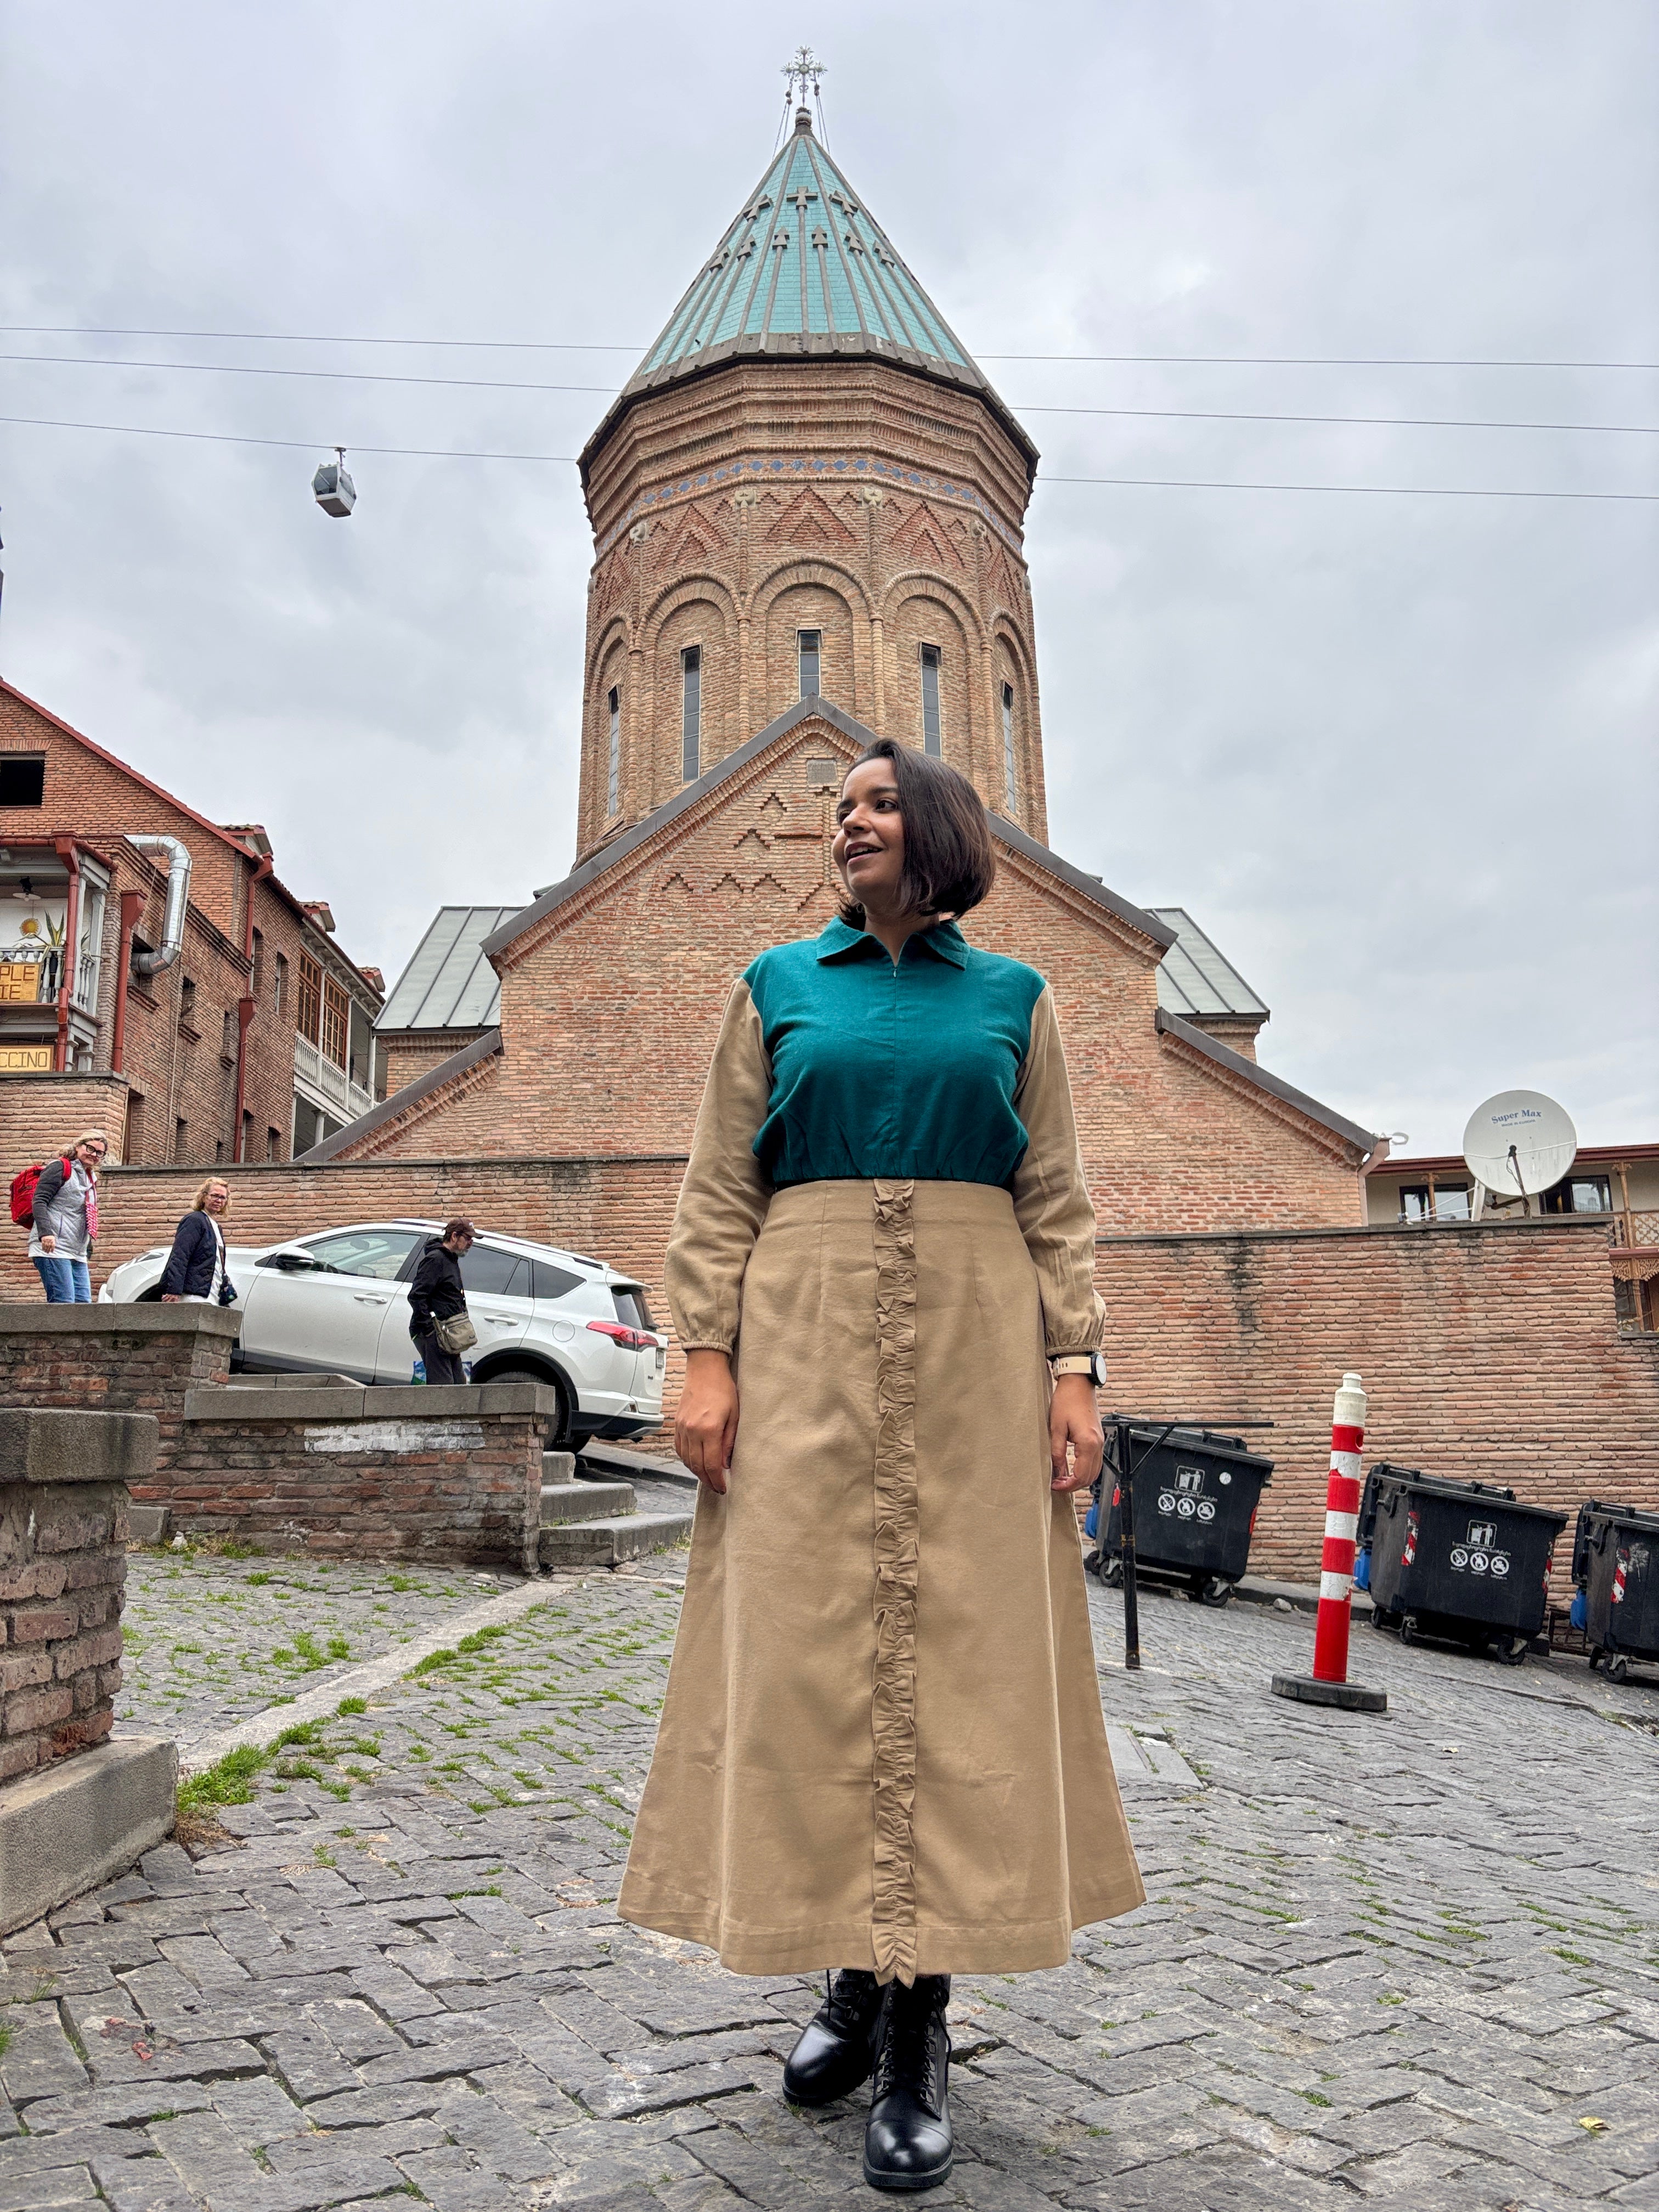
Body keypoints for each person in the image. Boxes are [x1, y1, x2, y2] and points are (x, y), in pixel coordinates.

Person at [619, 738, 1144, 2193]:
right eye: (835, 808)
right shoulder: (775, 987)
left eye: (872, 802)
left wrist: (1077, 1367)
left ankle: (918, 2020)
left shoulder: (1016, 999)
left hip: (983, 1341)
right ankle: (848, 1968)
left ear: (937, 832)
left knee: (960, 1659)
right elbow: (722, 1179)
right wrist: (703, 1352)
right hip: (802, 1335)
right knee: (813, 1657)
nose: (845, 822)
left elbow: (1060, 1198)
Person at [29, 1128, 108, 1302]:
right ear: (79, 1146)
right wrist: (46, 1233)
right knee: (63, 1304)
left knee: (83, 1306)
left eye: (100, 1153)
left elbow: (84, 1214)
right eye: (91, 1149)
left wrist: (87, 1247)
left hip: (78, 1252)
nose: (94, 1155)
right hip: (53, 1247)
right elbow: (39, 1200)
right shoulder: (60, 1167)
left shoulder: (90, 1177)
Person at [409, 1217, 475, 1383]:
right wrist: (430, 1329)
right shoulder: (435, 1259)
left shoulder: (451, 1259)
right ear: (454, 1236)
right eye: (467, 1238)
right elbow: (416, 1295)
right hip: (434, 1333)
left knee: (458, 1384)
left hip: (448, 1333)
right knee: (443, 1389)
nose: (471, 1243)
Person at [160, 1178, 234, 1304]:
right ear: (204, 1197)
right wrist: (174, 1289)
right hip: (192, 1294)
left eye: (223, 1198)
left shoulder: (215, 1226)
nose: (219, 1200)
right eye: (215, 1196)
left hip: (212, 1294)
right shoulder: (195, 1220)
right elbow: (180, 1255)